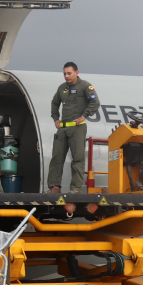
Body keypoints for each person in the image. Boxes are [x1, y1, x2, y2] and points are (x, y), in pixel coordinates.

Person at [47, 62, 100, 193]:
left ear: (77, 72)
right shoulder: (62, 88)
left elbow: (95, 102)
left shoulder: (85, 86)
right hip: (62, 128)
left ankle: (75, 188)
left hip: (77, 128)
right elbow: (54, 103)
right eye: (64, 73)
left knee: (77, 158)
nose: (66, 76)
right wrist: (56, 118)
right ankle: (54, 187)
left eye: (69, 73)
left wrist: (84, 116)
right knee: (57, 158)